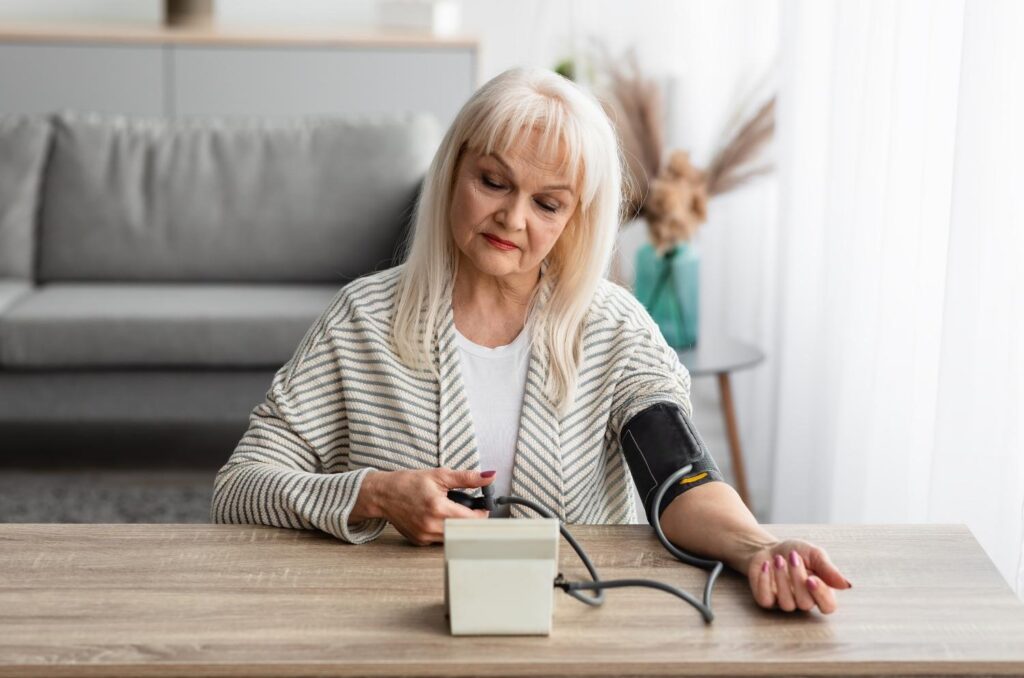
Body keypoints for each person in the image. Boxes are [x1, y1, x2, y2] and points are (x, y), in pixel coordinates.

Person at [211, 67, 851, 614]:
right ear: (454, 167)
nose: (513, 219)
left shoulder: (616, 330)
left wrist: (759, 547)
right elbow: (239, 487)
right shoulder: (361, 321)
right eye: (493, 182)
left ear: (578, 219)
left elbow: (679, 480)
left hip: (573, 641)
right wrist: (373, 494)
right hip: (396, 638)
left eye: (548, 204)